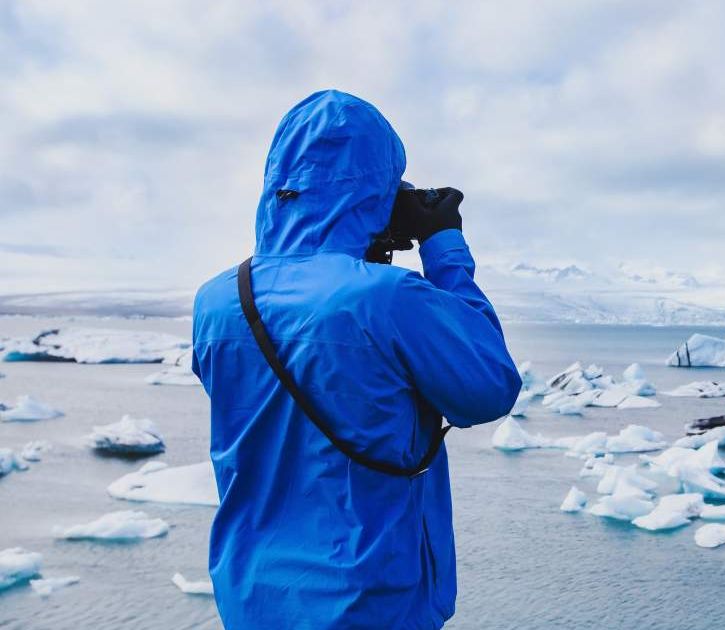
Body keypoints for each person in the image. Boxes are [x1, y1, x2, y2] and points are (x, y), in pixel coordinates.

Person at [191, 89, 521, 629]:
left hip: (251, 598)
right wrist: (443, 245)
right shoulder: (385, 298)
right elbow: (488, 387)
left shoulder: (218, 299)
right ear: (375, 188)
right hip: (367, 601)